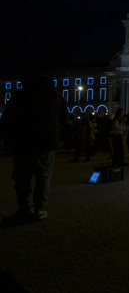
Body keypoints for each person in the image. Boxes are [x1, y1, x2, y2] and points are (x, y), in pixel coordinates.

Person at [0, 71, 67, 225]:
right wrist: (52, 130)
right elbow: (64, 117)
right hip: (48, 142)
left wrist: (10, 137)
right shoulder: (55, 96)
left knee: (22, 177)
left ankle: (25, 209)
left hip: (24, 141)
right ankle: (40, 209)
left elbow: (7, 119)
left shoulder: (20, 95)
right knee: (44, 175)